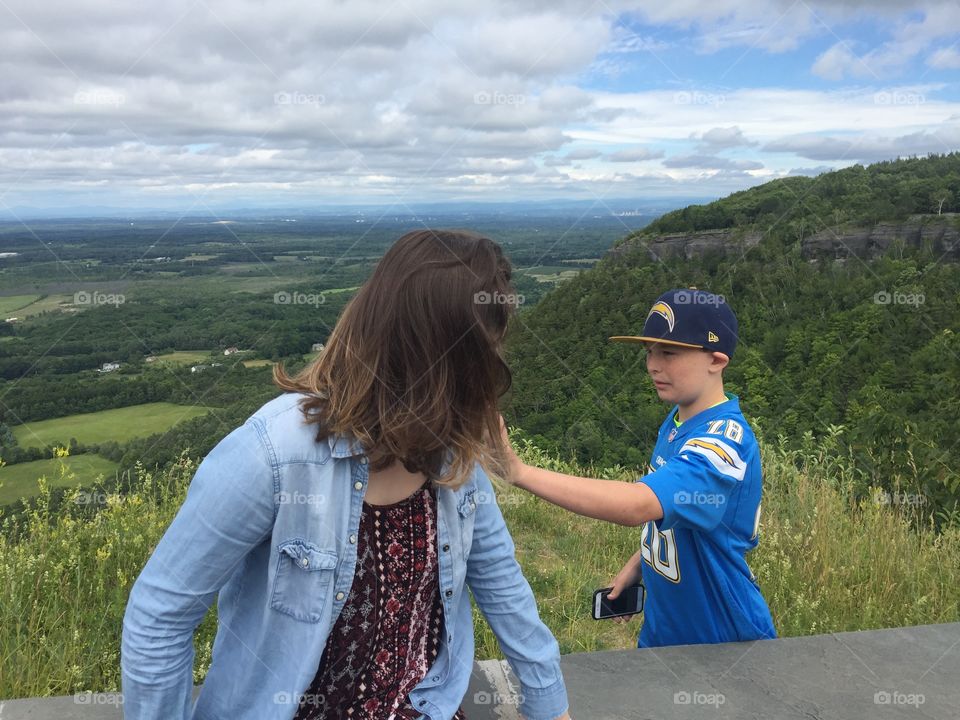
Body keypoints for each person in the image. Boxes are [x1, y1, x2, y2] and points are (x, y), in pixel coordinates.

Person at [121, 229, 571, 720]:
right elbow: (160, 616)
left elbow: (501, 583)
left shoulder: (452, 450)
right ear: (442, 361)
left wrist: (550, 706)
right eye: (482, 355)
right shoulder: (274, 453)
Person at [501, 288, 776, 649]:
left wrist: (518, 472)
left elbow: (637, 505)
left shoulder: (725, 443)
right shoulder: (677, 421)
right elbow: (678, 513)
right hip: (662, 635)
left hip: (722, 643)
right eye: (649, 351)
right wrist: (639, 564)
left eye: (669, 352)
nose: (652, 365)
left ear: (716, 360)